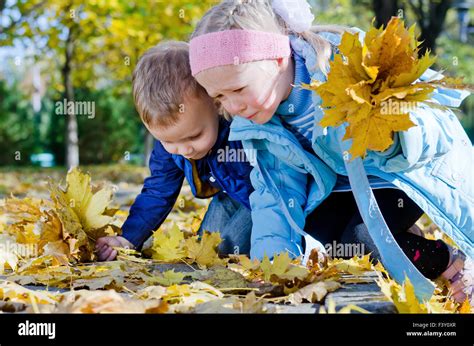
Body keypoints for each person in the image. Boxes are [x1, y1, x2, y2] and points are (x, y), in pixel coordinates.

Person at [189, 0, 473, 303]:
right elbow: (276, 193)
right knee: (327, 245)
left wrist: (395, 137)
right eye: (219, 97)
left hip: (402, 176)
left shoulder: (350, 68)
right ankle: (401, 237)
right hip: (346, 187)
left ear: (278, 60)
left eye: (239, 89)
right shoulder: (261, 122)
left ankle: (447, 260)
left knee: (368, 239)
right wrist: (273, 267)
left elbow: (432, 129)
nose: (233, 107)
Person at [95, 41, 254, 262]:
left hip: (269, 198)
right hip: (231, 198)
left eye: (194, 136)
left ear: (217, 103)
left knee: (231, 246)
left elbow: (275, 187)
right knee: (206, 249)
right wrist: (128, 239)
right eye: (169, 141)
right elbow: (157, 191)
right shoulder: (169, 148)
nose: (184, 149)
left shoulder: (241, 131)